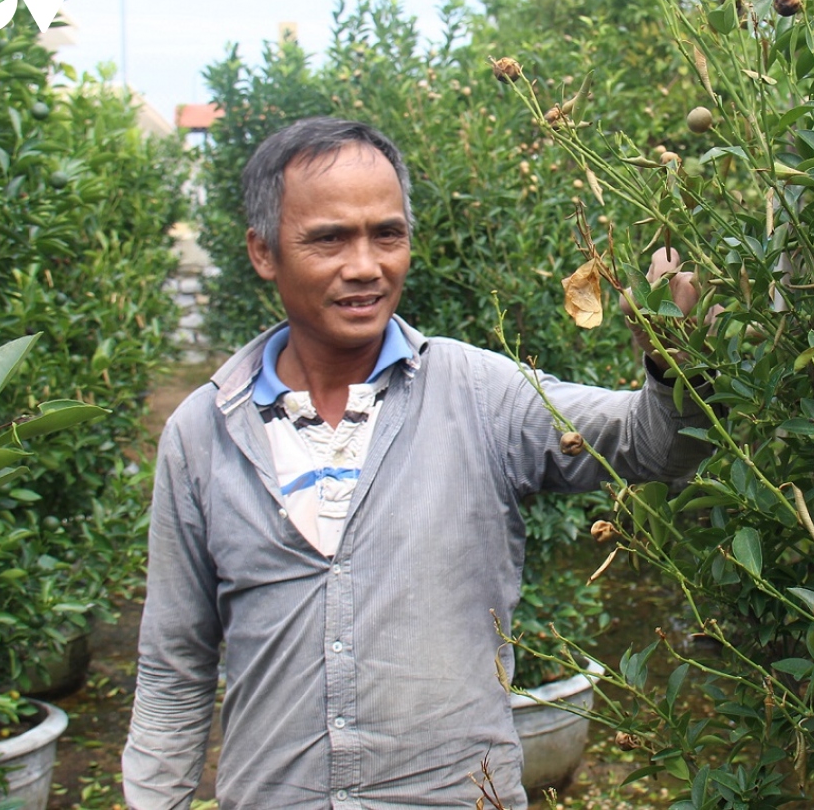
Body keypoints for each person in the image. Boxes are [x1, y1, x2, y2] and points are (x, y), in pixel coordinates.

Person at [122, 116, 711, 809]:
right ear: (263, 251)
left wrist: (676, 367)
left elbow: (650, 446)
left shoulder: (479, 394)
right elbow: (174, 667)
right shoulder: (204, 433)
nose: (365, 266)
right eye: (329, 239)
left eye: (387, 234)